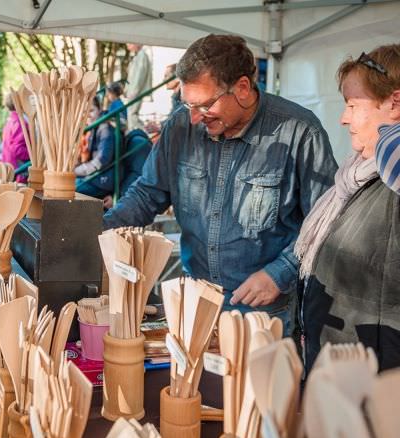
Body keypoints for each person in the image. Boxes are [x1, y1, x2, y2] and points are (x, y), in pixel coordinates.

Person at [104, 34, 338, 333]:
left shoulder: (299, 132)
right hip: (196, 299)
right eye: (187, 104)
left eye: (204, 105)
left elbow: (325, 222)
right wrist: (100, 230)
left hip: (265, 312)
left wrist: (280, 273)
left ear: (242, 88)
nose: (193, 118)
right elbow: (148, 192)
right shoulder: (180, 126)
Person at [296, 44, 400, 371]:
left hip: (376, 381)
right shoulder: (358, 173)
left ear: (394, 102)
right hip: (339, 368)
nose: (343, 118)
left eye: (352, 105)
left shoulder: (392, 176)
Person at [75, 96, 116, 199]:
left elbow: (102, 159)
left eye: (91, 110)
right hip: (93, 177)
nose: (87, 115)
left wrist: (75, 171)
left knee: (68, 189)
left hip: (102, 179)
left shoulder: (105, 129)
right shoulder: (91, 129)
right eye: (84, 112)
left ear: (100, 109)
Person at [124, 44, 152, 131]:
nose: (127, 46)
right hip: (132, 91)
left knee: (132, 114)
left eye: (129, 43)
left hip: (135, 92)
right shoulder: (137, 56)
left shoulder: (142, 55)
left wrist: (134, 91)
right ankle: (135, 132)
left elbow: (139, 76)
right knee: (131, 114)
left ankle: (138, 133)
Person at [2, 93, 29, 172]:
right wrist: (35, 156)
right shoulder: (19, 122)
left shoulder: (11, 120)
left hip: (11, 166)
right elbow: (18, 149)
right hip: (19, 168)